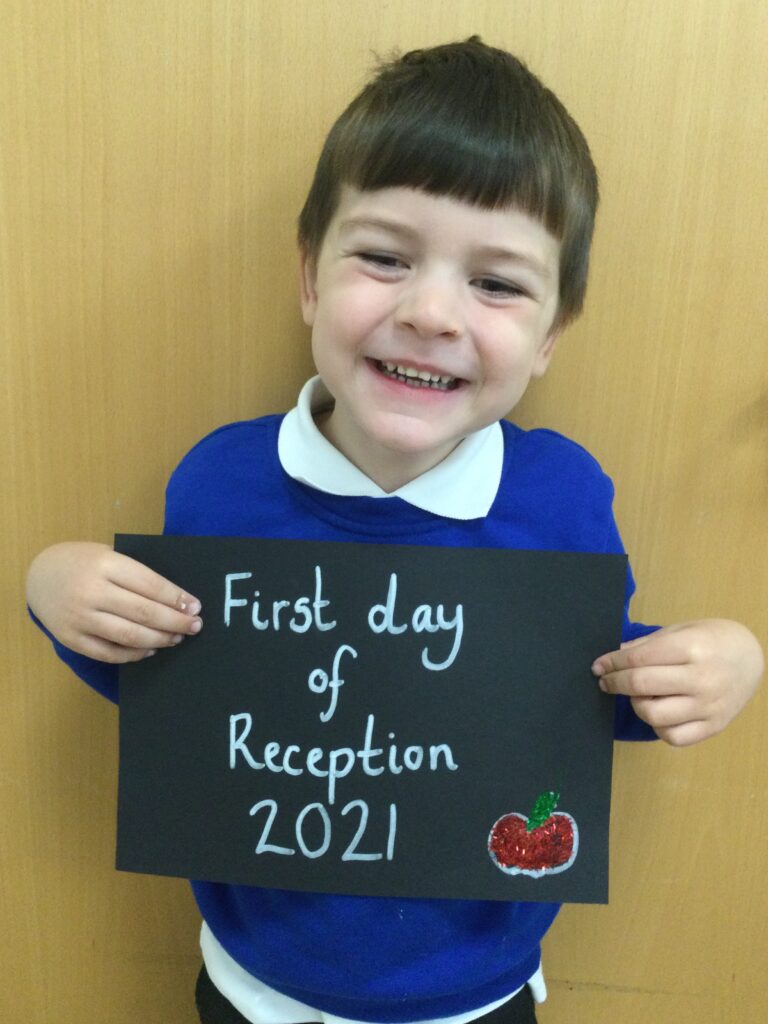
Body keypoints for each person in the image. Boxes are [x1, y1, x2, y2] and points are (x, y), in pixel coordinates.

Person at [26, 37, 762, 1024]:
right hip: (254, 984)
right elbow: (181, 692)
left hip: (475, 996)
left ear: (551, 335)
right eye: (383, 258)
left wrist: (720, 662)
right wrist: (57, 590)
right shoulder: (222, 482)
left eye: (497, 283)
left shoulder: (561, 500)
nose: (431, 313)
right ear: (308, 278)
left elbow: (575, 702)